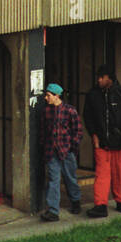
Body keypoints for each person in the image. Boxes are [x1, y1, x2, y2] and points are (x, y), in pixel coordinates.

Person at [83, 64, 121, 218]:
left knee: (120, 174)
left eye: (102, 77)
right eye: (98, 77)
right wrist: (93, 134)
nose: (99, 80)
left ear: (109, 78)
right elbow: (88, 117)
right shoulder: (92, 95)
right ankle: (100, 205)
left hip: (120, 143)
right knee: (102, 175)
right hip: (102, 144)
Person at [39, 83, 82, 222]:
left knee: (70, 178)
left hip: (66, 150)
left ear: (57, 95)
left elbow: (77, 131)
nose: (46, 98)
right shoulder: (46, 111)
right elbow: (43, 130)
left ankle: (76, 201)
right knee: (53, 179)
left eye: (48, 95)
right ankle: (53, 210)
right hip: (52, 151)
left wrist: (72, 147)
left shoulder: (70, 111)